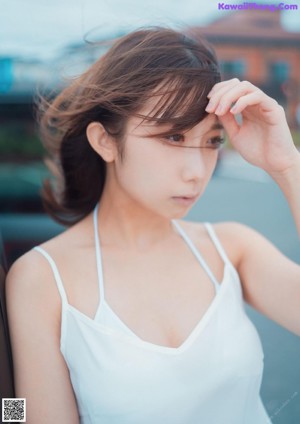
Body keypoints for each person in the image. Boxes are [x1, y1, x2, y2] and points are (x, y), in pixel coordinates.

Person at [5, 27, 300, 424]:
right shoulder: (42, 278)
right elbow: (20, 415)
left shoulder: (231, 249)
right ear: (105, 141)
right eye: (174, 136)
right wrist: (8, 415)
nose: (197, 172)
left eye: (212, 141)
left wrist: (287, 166)